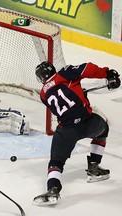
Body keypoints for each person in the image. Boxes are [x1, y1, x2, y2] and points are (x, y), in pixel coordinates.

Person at [32, 61, 121, 205]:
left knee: (56, 161)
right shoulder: (65, 73)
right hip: (88, 123)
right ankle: (94, 167)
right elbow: (87, 68)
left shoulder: (43, 94)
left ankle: (53, 190)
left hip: (67, 130)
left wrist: (79, 92)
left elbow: (64, 101)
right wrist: (107, 73)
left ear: (42, 77)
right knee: (103, 129)